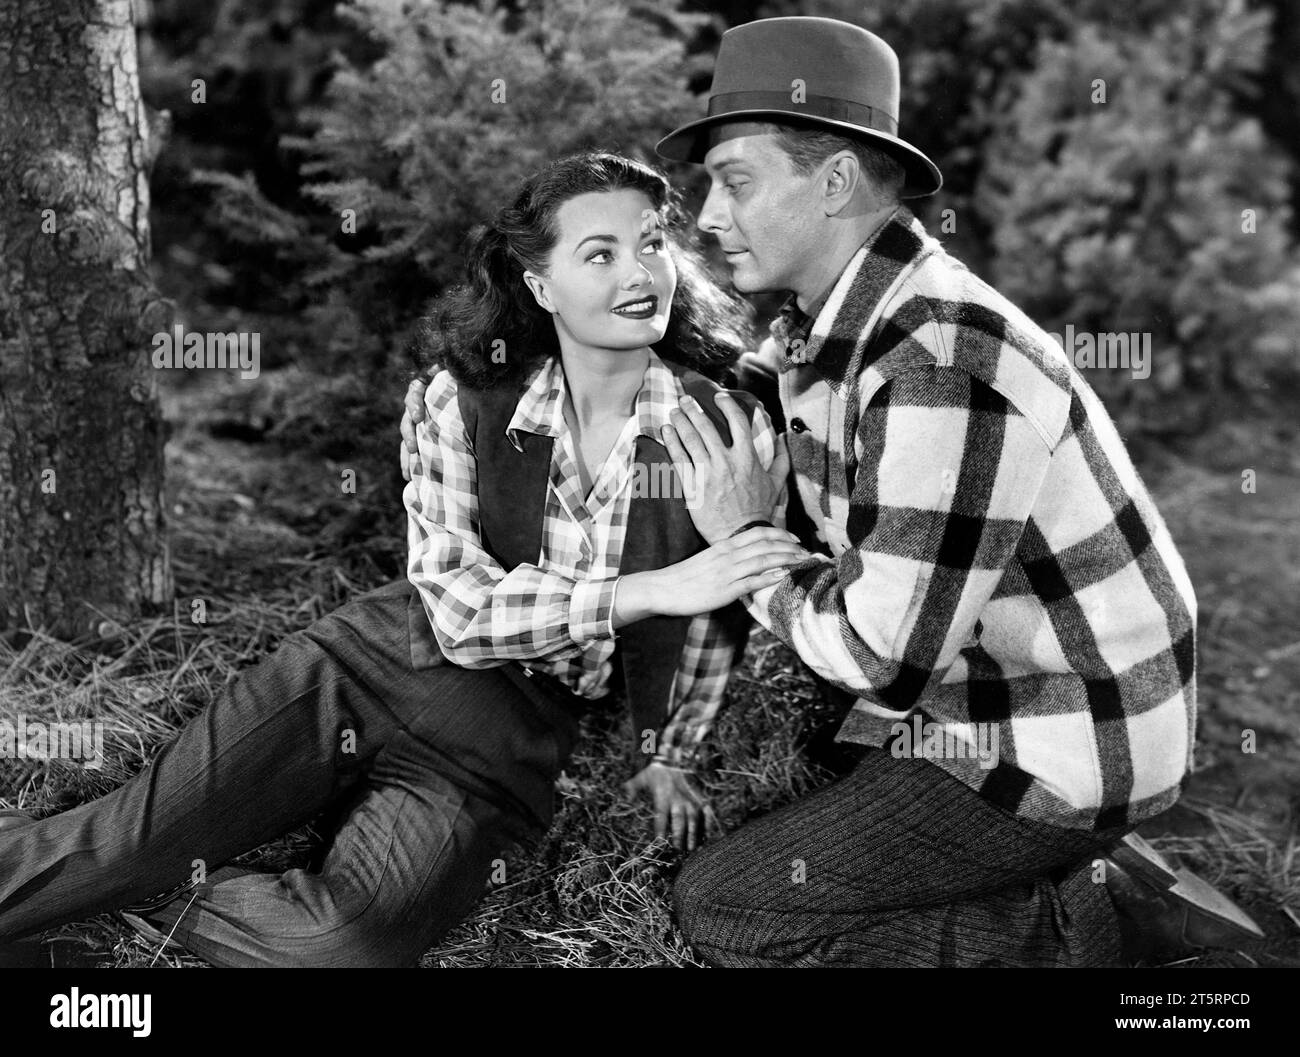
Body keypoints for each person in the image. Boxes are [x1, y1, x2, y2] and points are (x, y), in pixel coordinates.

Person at [397, 19, 1268, 969]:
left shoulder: (943, 361)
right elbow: (741, 392)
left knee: (734, 910)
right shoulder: (837, 324)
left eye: (735, 181)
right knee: (815, 787)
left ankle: (1110, 931)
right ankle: (1073, 873)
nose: (707, 219)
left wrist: (745, 540)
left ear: (836, 182)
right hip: (974, 688)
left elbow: (879, 661)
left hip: (1058, 734)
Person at [0, 151, 804, 967]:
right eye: (600, 253)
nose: (641, 272)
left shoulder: (722, 427)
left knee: (342, 945)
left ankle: (120, 891)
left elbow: (717, 606)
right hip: (369, 665)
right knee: (128, 841)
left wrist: (668, 751)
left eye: (653, 242)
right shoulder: (460, 399)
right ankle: (113, 871)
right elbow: (457, 610)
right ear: (540, 286)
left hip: (504, 741)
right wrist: (651, 588)